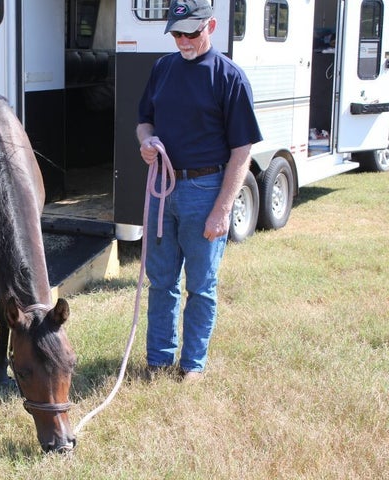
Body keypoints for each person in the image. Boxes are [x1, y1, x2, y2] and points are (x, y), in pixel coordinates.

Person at [136, 0, 262, 381]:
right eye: (176, 33)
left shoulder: (229, 77)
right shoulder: (163, 69)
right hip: (163, 186)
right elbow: (145, 121)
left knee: (201, 286)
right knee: (161, 282)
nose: (183, 41)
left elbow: (242, 150)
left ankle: (192, 366)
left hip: (206, 188)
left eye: (190, 32)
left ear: (211, 25)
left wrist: (223, 209)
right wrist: (146, 143)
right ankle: (158, 361)